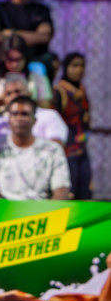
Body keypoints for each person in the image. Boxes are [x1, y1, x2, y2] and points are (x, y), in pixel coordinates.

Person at [0, 96, 71, 201]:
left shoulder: (53, 150)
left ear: (34, 120)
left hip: (44, 212)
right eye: (14, 114)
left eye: (25, 114)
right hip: (5, 213)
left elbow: (61, 192)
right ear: (8, 119)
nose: (19, 119)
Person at [0, 76, 68, 149]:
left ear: (29, 93)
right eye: (9, 94)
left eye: (18, 91)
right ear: (4, 100)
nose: (14, 96)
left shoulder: (49, 116)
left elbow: (56, 149)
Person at [53, 53, 92, 199]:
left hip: (81, 149)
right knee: (69, 193)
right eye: (74, 66)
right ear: (66, 68)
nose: (79, 70)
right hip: (66, 151)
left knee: (85, 192)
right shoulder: (60, 92)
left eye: (82, 66)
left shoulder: (81, 91)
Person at [0, 33, 52, 105]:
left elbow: (46, 106)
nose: (15, 65)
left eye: (18, 59)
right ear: (3, 58)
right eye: (11, 59)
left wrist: (27, 98)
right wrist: (2, 99)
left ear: (25, 58)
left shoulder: (39, 79)